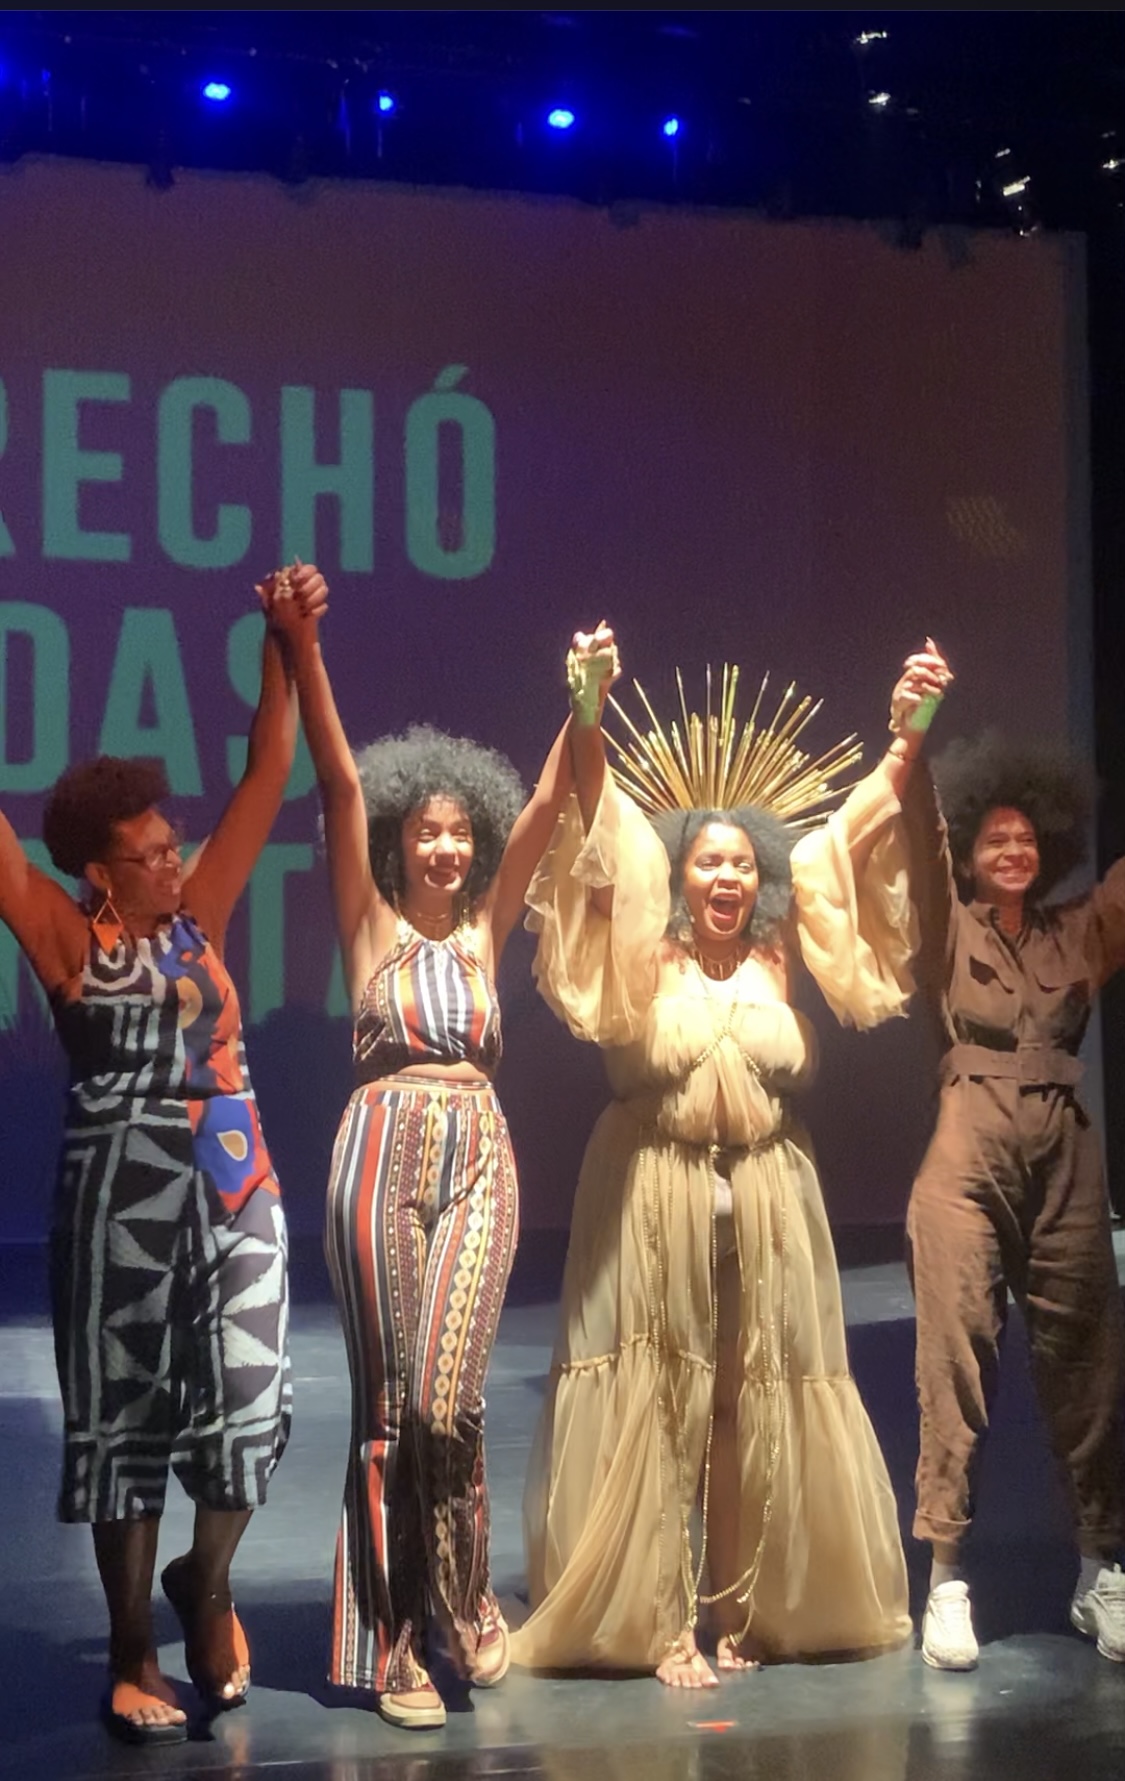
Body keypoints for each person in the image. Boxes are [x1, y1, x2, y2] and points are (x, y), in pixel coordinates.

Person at [511, 630, 951, 1687]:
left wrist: (909, 736)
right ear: (677, 871)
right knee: (658, 1394)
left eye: (741, 862)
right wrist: (588, 709)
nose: (725, 874)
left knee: (747, 1399)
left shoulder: (778, 950)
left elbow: (852, 831)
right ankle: (660, 1622)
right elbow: (597, 814)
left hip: (767, 1195)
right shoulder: (644, 944)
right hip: (648, 1191)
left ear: (760, 876)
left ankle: (740, 1608)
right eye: (707, 859)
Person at [0, 567, 326, 1742]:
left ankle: (210, 1578)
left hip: (237, 1188)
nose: (173, 858)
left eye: (171, 842)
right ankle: (134, 1643)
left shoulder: (203, 916)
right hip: (117, 1199)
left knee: (252, 1408)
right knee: (124, 1421)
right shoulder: (61, 934)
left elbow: (268, 770)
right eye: (149, 851)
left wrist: (285, 640)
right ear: (99, 869)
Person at [274, 568, 576, 1730]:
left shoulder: (487, 931)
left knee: (452, 1399)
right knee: (393, 1408)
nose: (447, 847)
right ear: (397, 844)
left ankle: (464, 1591)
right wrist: (303, 647)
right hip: (381, 1146)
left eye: (460, 832)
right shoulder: (372, 925)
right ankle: (399, 1641)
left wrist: (585, 702)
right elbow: (339, 780)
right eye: (427, 831)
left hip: (479, 1149)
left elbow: (546, 804)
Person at [901, 728, 1125, 1670]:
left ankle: (1099, 1570)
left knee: (1088, 1359)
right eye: (992, 837)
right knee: (954, 1355)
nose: (1011, 849)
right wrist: (911, 740)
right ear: (967, 851)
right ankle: (946, 1578)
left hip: (1064, 1149)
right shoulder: (946, 922)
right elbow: (918, 841)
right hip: (968, 1147)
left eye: (1025, 837)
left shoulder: (1075, 930)